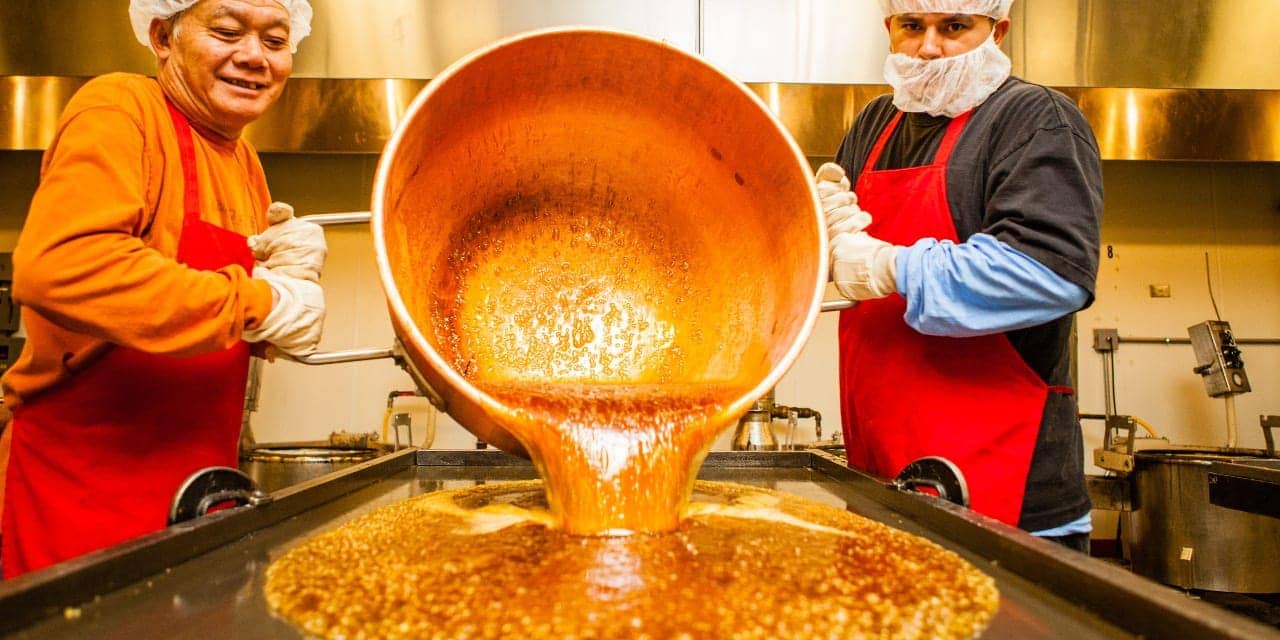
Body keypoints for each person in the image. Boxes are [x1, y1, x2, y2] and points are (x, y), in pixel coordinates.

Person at [0, 0, 327, 579]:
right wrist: (259, 300)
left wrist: (283, 295)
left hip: (195, 491)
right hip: (81, 487)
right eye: (227, 31)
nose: (253, 56)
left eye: (275, 42)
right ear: (162, 36)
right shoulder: (120, 108)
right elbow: (59, 264)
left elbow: (206, 315)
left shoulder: (244, 160)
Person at [818, 0, 1102, 552]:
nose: (928, 46)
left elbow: (1049, 271)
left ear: (997, 29)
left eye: (953, 27)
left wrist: (887, 264)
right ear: (889, 28)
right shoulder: (877, 122)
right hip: (884, 480)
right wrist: (820, 223)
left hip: (1003, 491)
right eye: (911, 27)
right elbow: (837, 243)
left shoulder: (1034, 118)